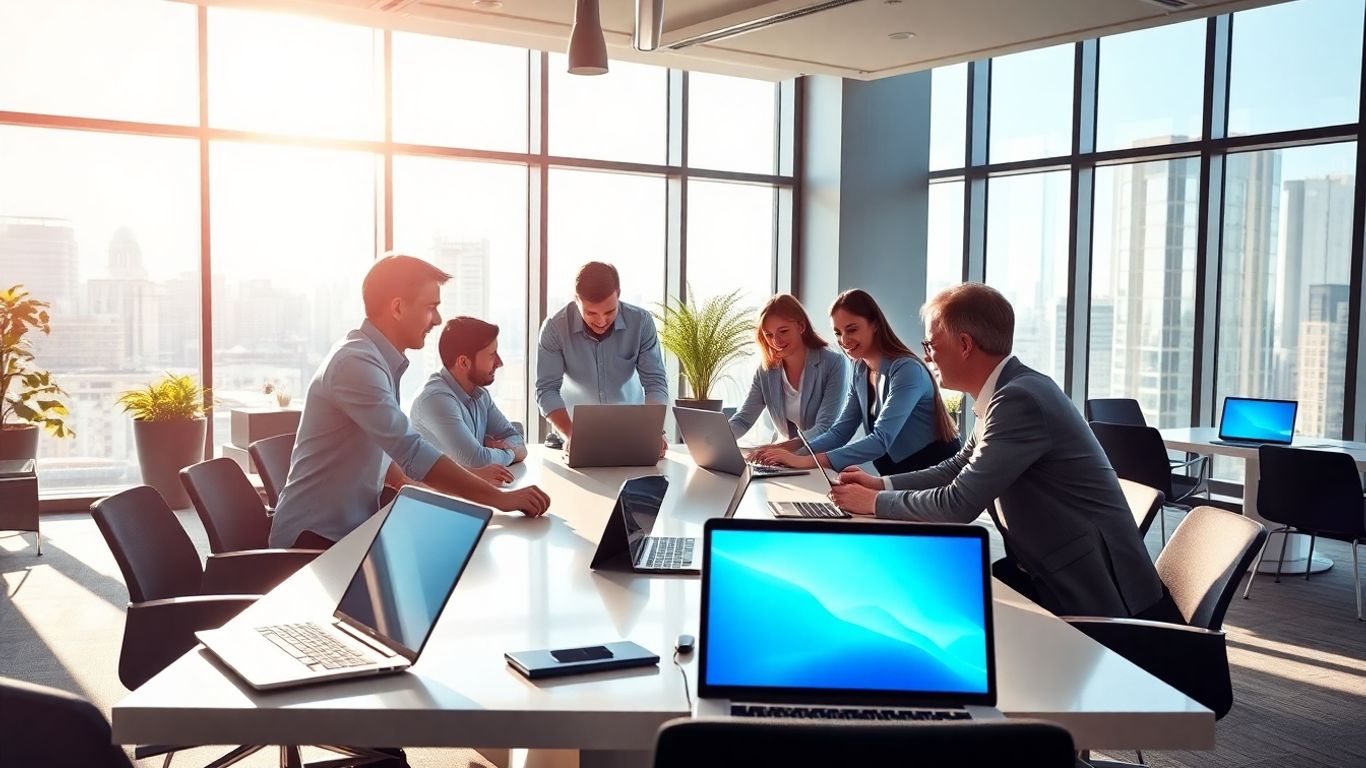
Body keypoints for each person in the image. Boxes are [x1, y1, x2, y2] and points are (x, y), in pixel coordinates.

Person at [829, 283, 1177, 621]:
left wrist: (871, 503)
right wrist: (881, 485)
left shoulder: (1017, 399)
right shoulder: (1005, 393)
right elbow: (957, 466)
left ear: (964, 344)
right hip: (1048, 571)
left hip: (1098, 597)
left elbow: (958, 503)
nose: (926, 355)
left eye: (931, 343)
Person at [269, 255, 550, 552]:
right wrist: (501, 499)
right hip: (312, 543)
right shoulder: (356, 363)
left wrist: (471, 481)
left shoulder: (378, 362)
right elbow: (411, 450)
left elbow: (392, 467)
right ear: (399, 307)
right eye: (431, 307)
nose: (438, 320)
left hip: (349, 535)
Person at [751, 289, 960, 475]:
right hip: (898, 477)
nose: (844, 340)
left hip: (936, 476)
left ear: (875, 325)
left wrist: (804, 461)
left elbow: (880, 440)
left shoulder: (907, 370)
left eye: (852, 329)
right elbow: (840, 432)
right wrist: (788, 455)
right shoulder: (860, 369)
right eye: (838, 333)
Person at [535, 261, 669, 456]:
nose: (601, 321)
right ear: (576, 300)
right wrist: (572, 435)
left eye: (609, 311)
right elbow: (546, 390)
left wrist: (653, 430)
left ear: (618, 294)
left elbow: (655, 382)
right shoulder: (554, 328)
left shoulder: (640, 322)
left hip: (633, 432)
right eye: (591, 313)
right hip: (573, 433)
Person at [728, 293, 849, 447]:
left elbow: (825, 427)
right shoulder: (766, 371)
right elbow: (743, 421)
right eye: (769, 335)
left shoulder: (833, 363)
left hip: (820, 457)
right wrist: (717, 441)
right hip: (781, 459)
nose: (776, 341)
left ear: (801, 326)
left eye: (783, 331)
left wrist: (782, 448)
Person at [411, 316, 527, 470]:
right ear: (464, 362)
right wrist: (510, 453)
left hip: (470, 491)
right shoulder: (435, 400)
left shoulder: (480, 395)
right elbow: (477, 461)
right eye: (492, 355)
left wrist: (492, 451)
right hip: (437, 493)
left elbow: (517, 440)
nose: (499, 362)